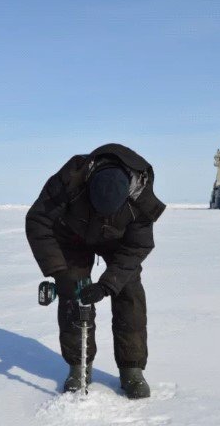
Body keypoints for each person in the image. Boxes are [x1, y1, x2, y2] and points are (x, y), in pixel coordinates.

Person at [25, 143, 165, 399]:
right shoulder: (69, 179)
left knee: (129, 290)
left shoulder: (141, 197)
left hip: (117, 240)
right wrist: (59, 273)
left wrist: (106, 286)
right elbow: (38, 220)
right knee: (73, 292)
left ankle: (132, 369)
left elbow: (138, 245)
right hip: (72, 236)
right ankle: (79, 366)